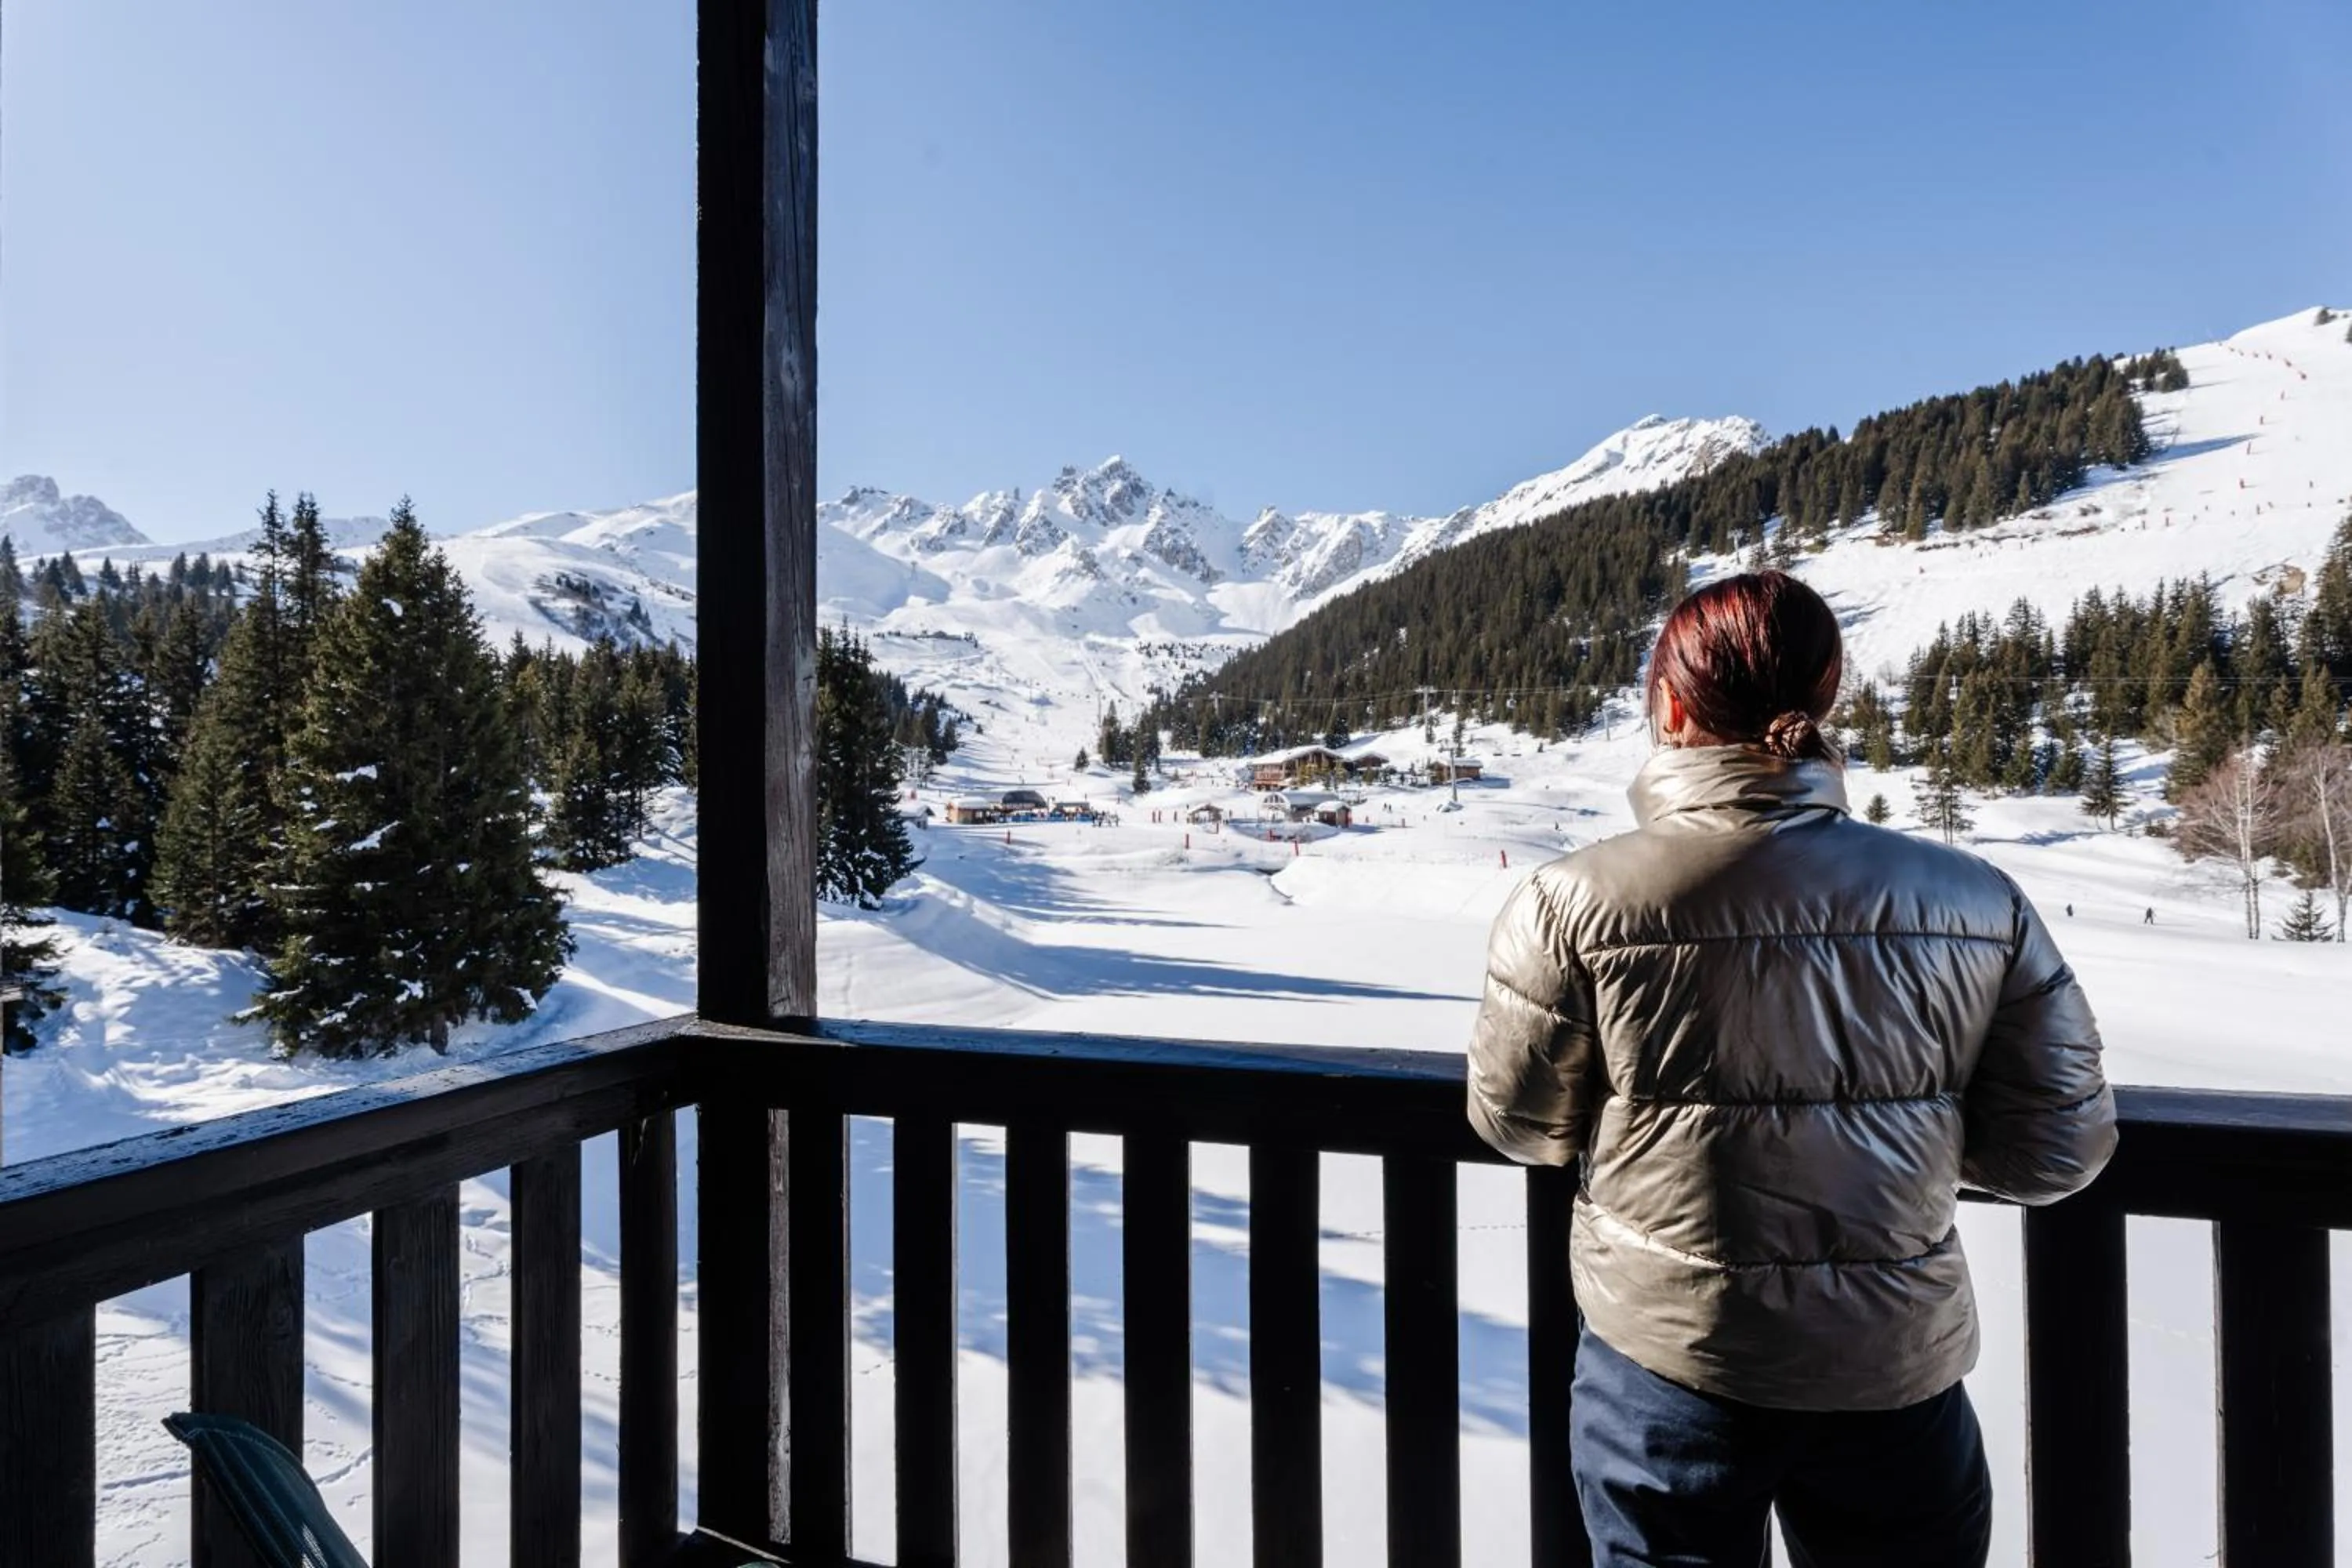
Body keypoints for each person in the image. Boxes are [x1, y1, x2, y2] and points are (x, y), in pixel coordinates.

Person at [1466, 571, 2114, 1568]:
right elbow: (2057, 1150)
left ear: (1670, 707)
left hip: (1670, 1368)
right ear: (1824, 697)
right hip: (1894, 1370)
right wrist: (1900, 1144)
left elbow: (1518, 1121)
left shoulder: (1575, 901)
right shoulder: (1977, 900)